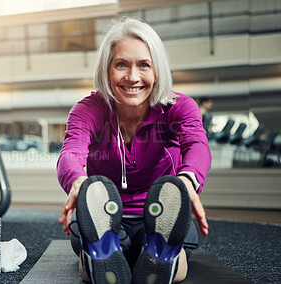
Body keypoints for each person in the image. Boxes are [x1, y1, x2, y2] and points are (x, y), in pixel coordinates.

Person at [57, 17, 211, 284]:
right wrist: (78, 182)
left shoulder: (178, 107)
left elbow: (196, 144)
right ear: (107, 70)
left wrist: (187, 180)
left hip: (158, 215)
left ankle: (161, 254)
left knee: (179, 237)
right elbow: (71, 151)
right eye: (121, 64)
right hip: (104, 214)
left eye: (144, 65)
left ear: (158, 71)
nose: (132, 77)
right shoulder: (88, 110)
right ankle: (101, 255)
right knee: (84, 232)